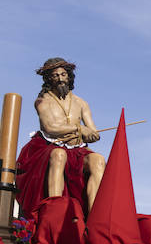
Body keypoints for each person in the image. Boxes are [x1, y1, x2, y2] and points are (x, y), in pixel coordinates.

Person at [14, 58, 106, 214]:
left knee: (98, 160)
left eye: (63, 74)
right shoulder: (43, 101)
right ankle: (54, 210)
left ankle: (94, 215)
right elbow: (50, 127)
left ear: (69, 76)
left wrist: (91, 135)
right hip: (49, 147)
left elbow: (93, 132)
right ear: (49, 78)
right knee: (59, 154)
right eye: (55, 75)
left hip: (77, 149)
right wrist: (79, 129)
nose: (60, 79)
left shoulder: (81, 103)